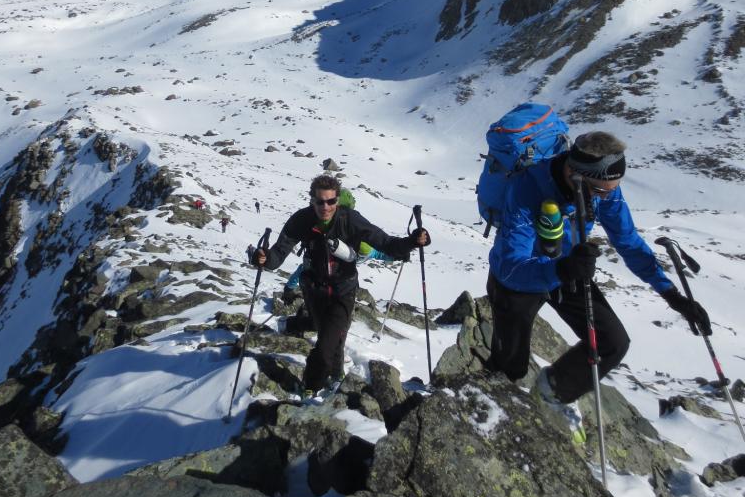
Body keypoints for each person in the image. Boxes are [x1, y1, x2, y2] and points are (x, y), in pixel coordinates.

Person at [486, 131, 711, 439]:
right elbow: (512, 267)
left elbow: (629, 243)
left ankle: (551, 394)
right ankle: (487, 421)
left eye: (612, 190)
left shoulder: (602, 188)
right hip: (520, 279)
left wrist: (671, 294)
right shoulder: (527, 190)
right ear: (574, 174)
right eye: (601, 192)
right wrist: (562, 268)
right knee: (507, 369)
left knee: (612, 342)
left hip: (569, 266)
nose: (608, 197)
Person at [252, 175, 430, 392]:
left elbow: (385, 243)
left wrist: (412, 241)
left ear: (337, 200)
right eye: (320, 201)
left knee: (328, 343)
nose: (325, 207)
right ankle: (335, 372)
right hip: (314, 289)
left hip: (343, 289)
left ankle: (310, 387)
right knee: (325, 332)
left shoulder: (350, 219)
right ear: (312, 200)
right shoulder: (301, 220)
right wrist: (264, 258)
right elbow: (278, 254)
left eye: (331, 201)